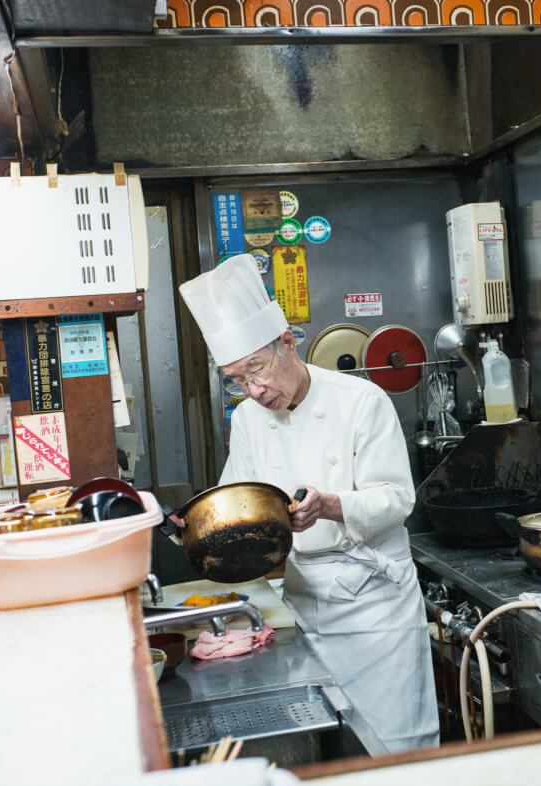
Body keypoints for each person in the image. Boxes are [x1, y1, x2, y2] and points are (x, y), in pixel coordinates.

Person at [178, 254, 439, 752]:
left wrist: (332, 505)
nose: (252, 390)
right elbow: (240, 503)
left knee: (395, 751)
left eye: (256, 369)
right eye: (235, 380)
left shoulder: (361, 402)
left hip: (374, 608)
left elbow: (397, 499)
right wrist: (194, 526)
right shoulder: (248, 421)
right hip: (302, 603)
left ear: (287, 342)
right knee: (328, 747)